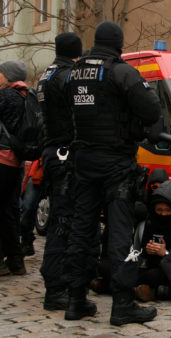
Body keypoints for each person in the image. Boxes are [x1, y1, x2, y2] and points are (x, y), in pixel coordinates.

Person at [62, 21, 160, 325]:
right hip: (116, 161)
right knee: (119, 233)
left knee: (81, 229)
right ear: (118, 43)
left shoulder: (73, 73)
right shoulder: (122, 72)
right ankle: (122, 305)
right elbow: (152, 110)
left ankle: (75, 300)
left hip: (83, 160)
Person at [36, 32, 83, 310]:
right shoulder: (67, 77)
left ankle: (59, 282)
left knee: (60, 219)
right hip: (65, 154)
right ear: (77, 53)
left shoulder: (47, 74)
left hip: (52, 151)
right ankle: (56, 287)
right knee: (63, 222)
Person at [0, 60, 29, 276]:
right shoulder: (26, 95)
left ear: (7, 76)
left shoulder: (6, 96)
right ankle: (16, 260)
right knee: (9, 210)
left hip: (2, 157)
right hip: (16, 160)